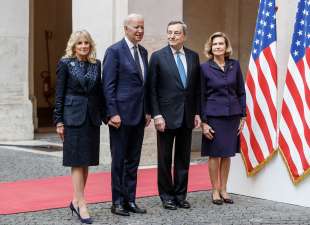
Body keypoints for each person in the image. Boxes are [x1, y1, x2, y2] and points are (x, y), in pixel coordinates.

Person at [102, 13, 151, 216]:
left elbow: (144, 85)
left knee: (133, 161)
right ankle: (117, 202)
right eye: (135, 27)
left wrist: (148, 110)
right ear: (126, 29)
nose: (139, 31)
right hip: (120, 118)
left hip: (139, 117)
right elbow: (108, 85)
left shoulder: (144, 52)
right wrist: (112, 113)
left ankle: (130, 200)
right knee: (119, 160)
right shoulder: (114, 51)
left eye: (141, 27)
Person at [149, 21, 201, 210]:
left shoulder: (193, 57)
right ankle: (166, 196)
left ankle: (180, 195)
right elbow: (152, 89)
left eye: (176, 33)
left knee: (183, 158)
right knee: (164, 159)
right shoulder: (157, 57)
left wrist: (197, 112)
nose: (172, 36)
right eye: (169, 32)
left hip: (187, 115)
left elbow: (196, 88)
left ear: (184, 36)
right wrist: (156, 115)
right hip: (166, 117)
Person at [54, 30, 103, 224]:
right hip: (72, 116)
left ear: (90, 45)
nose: (83, 46)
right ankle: (82, 203)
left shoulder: (96, 64)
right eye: (80, 43)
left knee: (86, 160)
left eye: (86, 43)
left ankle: (76, 199)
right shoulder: (65, 63)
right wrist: (59, 121)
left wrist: (105, 115)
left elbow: (99, 92)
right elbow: (59, 94)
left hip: (91, 117)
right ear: (73, 46)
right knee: (76, 160)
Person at [200, 32, 246, 205]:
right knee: (215, 154)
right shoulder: (204, 68)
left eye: (221, 43)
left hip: (232, 115)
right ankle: (214, 190)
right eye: (215, 44)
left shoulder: (235, 65)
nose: (218, 46)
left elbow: (241, 91)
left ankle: (224, 189)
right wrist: (204, 122)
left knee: (227, 154)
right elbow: (201, 96)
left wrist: (243, 115)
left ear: (226, 47)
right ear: (210, 48)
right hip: (213, 116)